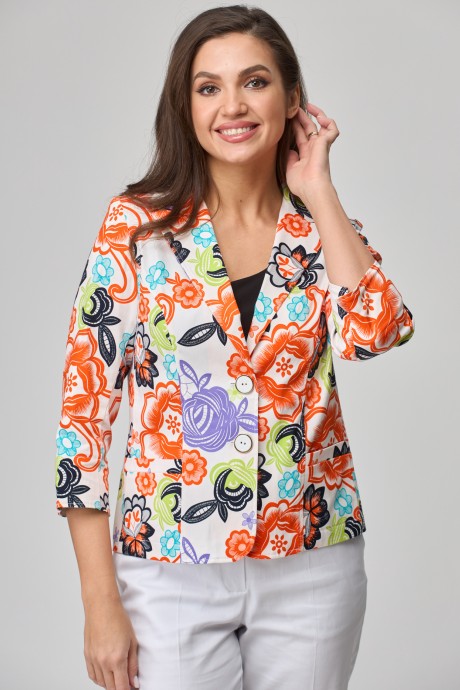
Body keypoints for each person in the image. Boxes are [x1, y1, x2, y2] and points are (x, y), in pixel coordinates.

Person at [54, 5, 415, 690]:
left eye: (255, 81)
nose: (233, 106)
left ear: (292, 99)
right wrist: (99, 602)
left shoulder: (320, 228)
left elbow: (378, 334)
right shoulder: (136, 228)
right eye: (208, 87)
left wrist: (319, 189)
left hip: (312, 560)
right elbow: (83, 417)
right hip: (168, 565)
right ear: (186, 106)